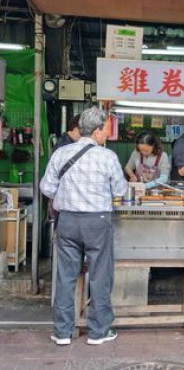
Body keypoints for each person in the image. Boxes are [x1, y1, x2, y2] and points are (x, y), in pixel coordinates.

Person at [40, 107, 127, 346]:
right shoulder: (107, 157)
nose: (107, 135)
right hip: (97, 222)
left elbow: (46, 188)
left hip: (67, 220)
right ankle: (98, 332)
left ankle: (62, 332)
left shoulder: (61, 153)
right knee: (100, 275)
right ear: (97, 131)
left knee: (66, 276)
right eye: (106, 130)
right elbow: (120, 190)